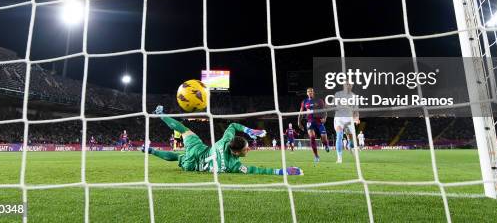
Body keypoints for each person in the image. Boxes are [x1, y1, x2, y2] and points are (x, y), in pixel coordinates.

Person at [145, 106, 303, 175]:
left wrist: (248, 130)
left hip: (198, 150)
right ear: (235, 152)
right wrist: (282, 171)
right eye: (246, 149)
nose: (248, 149)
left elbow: (233, 124)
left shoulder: (224, 141)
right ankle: (150, 150)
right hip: (192, 166)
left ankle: (160, 113)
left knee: (185, 131)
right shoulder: (234, 165)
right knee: (179, 158)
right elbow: (258, 170)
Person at [298, 87, 330, 162]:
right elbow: (301, 113)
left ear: (313, 92)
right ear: (307, 93)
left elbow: (325, 110)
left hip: (319, 121)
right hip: (310, 122)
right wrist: (299, 122)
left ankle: (326, 145)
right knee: (312, 137)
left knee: (324, 138)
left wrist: (325, 118)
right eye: (308, 91)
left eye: (311, 91)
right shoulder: (304, 102)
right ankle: (316, 156)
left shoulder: (319, 101)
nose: (310, 93)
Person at [332, 83, 360, 163]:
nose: (348, 86)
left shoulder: (354, 96)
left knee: (352, 141)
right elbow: (332, 105)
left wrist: (357, 118)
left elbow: (356, 110)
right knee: (339, 136)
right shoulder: (338, 94)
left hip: (349, 119)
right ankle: (339, 158)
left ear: (352, 86)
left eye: (350, 85)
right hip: (339, 118)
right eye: (346, 84)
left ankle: (349, 145)